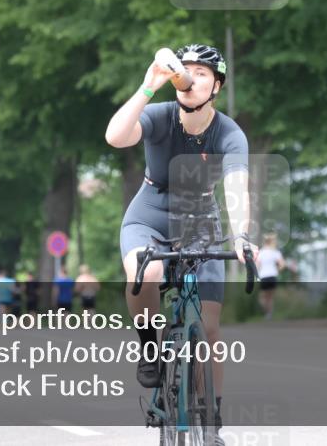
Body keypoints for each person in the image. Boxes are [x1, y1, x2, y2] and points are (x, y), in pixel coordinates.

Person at [105, 43, 256, 441]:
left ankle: (212, 420)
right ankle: (149, 348)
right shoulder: (160, 115)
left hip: (201, 219)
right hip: (150, 213)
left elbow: (236, 189)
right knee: (148, 270)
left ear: (216, 86)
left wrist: (242, 235)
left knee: (209, 329)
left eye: (201, 73)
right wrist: (148, 86)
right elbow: (116, 137)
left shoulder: (229, 133)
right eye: (185, 70)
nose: (189, 78)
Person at [255, 233, 285, 319]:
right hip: (273, 276)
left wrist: (257, 274)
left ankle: (266, 312)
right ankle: (269, 314)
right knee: (270, 297)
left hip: (264, 276)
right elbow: (282, 265)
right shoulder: (275, 252)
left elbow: (257, 266)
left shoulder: (261, 252)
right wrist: (276, 270)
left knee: (262, 297)